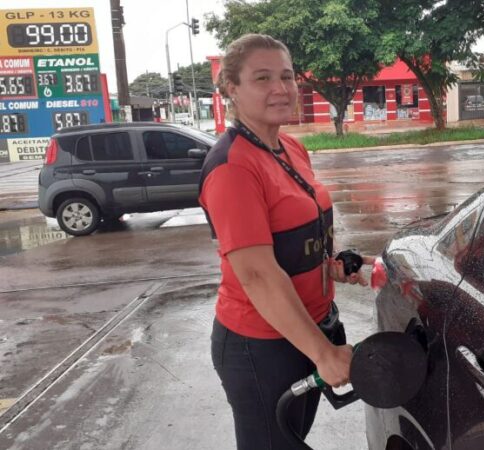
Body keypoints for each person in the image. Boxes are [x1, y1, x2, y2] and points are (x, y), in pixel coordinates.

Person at [198, 33, 373, 449]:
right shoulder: (232, 168)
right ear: (231, 90)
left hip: (310, 328)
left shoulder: (290, 147)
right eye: (262, 78)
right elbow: (257, 275)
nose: (280, 88)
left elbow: (297, 238)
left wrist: (332, 268)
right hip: (262, 347)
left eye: (287, 76)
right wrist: (324, 354)